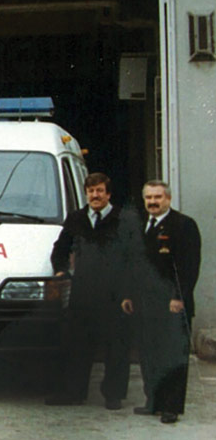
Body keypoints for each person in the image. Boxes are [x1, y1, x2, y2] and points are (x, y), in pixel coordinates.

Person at [45, 172, 134, 408]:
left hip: (114, 295)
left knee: (115, 348)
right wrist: (61, 270)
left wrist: (128, 292)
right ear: (86, 193)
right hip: (83, 292)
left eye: (100, 191)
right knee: (77, 346)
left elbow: (133, 258)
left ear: (108, 194)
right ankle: (74, 393)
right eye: (91, 191)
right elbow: (60, 248)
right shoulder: (76, 219)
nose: (95, 196)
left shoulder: (124, 219)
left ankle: (113, 396)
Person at [120, 180, 201, 425]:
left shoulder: (184, 225)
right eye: (148, 198)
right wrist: (128, 295)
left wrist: (179, 297)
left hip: (171, 304)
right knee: (149, 355)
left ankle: (171, 407)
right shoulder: (141, 225)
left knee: (172, 355)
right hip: (145, 303)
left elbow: (188, 267)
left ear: (168, 199)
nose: (153, 202)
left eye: (157, 197)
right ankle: (153, 401)